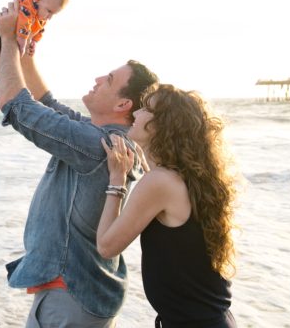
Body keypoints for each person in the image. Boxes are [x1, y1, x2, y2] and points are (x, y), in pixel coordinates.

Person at [0, 0, 159, 327]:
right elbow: (47, 104)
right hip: (72, 294)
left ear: (123, 103)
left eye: (109, 80)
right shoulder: (99, 135)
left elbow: (18, 108)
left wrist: (7, 39)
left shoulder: (100, 145)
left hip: (70, 296)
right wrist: (25, 52)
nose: (98, 78)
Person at [97, 84, 238, 328]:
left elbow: (106, 246)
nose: (137, 113)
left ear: (163, 126)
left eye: (146, 109)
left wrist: (117, 181)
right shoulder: (184, 180)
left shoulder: (160, 182)